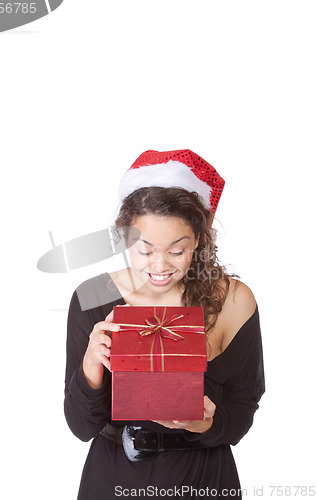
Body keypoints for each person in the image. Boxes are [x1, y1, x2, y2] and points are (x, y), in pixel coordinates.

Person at [64, 149, 265, 500]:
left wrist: (206, 423)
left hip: (203, 479)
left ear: (198, 241)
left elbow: (242, 410)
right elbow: (81, 426)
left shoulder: (233, 301)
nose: (160, 266)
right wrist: (91, 363)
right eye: (144, 250)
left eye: (176, 250)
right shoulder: (93, 296)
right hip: (115, 478)